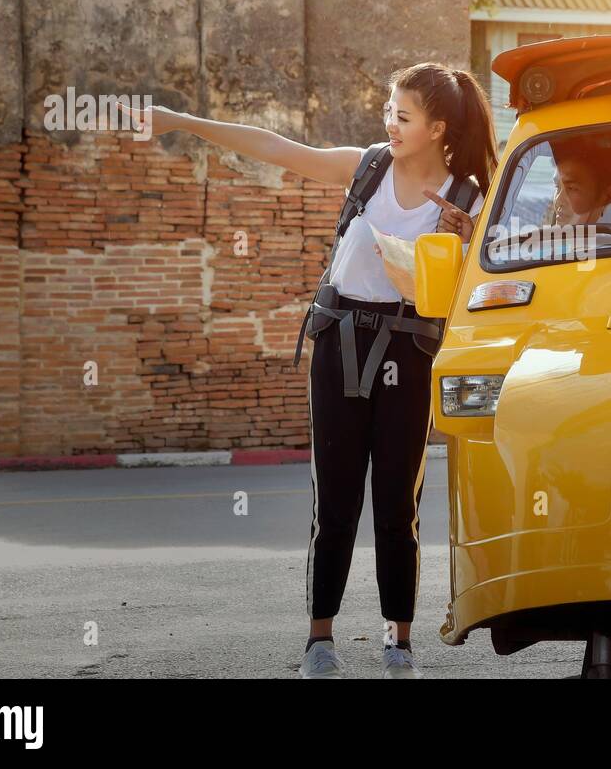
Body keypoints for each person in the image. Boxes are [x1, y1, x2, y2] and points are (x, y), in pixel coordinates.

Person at [120, 63, 496, 679]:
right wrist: (180, 121)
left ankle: (398, 642)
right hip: (338, 340)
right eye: (388, 112)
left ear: (437, 128)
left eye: (403, 117)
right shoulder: (368, 167)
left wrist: (471, 237)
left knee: (398, 502)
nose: (390, 125)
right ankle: (319, 640)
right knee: (335, 498)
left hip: (409, 349)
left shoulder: (467, 199)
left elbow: (491, 279)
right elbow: (278, 148)